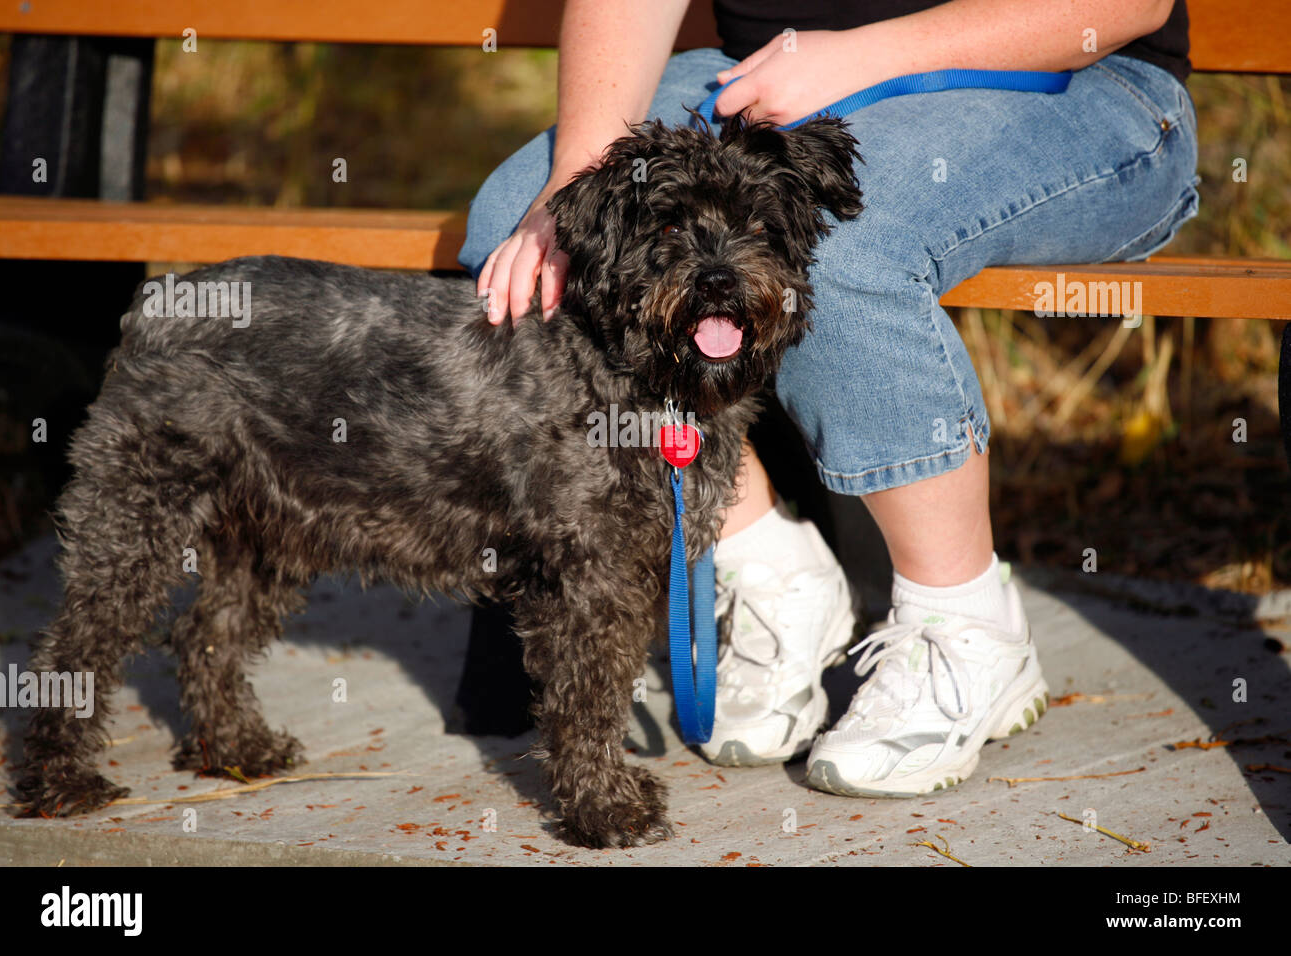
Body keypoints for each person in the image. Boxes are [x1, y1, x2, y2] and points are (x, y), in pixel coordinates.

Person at [459, 0, 1199, 796]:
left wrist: (868, 55)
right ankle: (768, 565)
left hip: (1073, 83)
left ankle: (966, 626)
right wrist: (575, 174)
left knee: (837, 253)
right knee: (534, 231)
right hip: (762, 86)